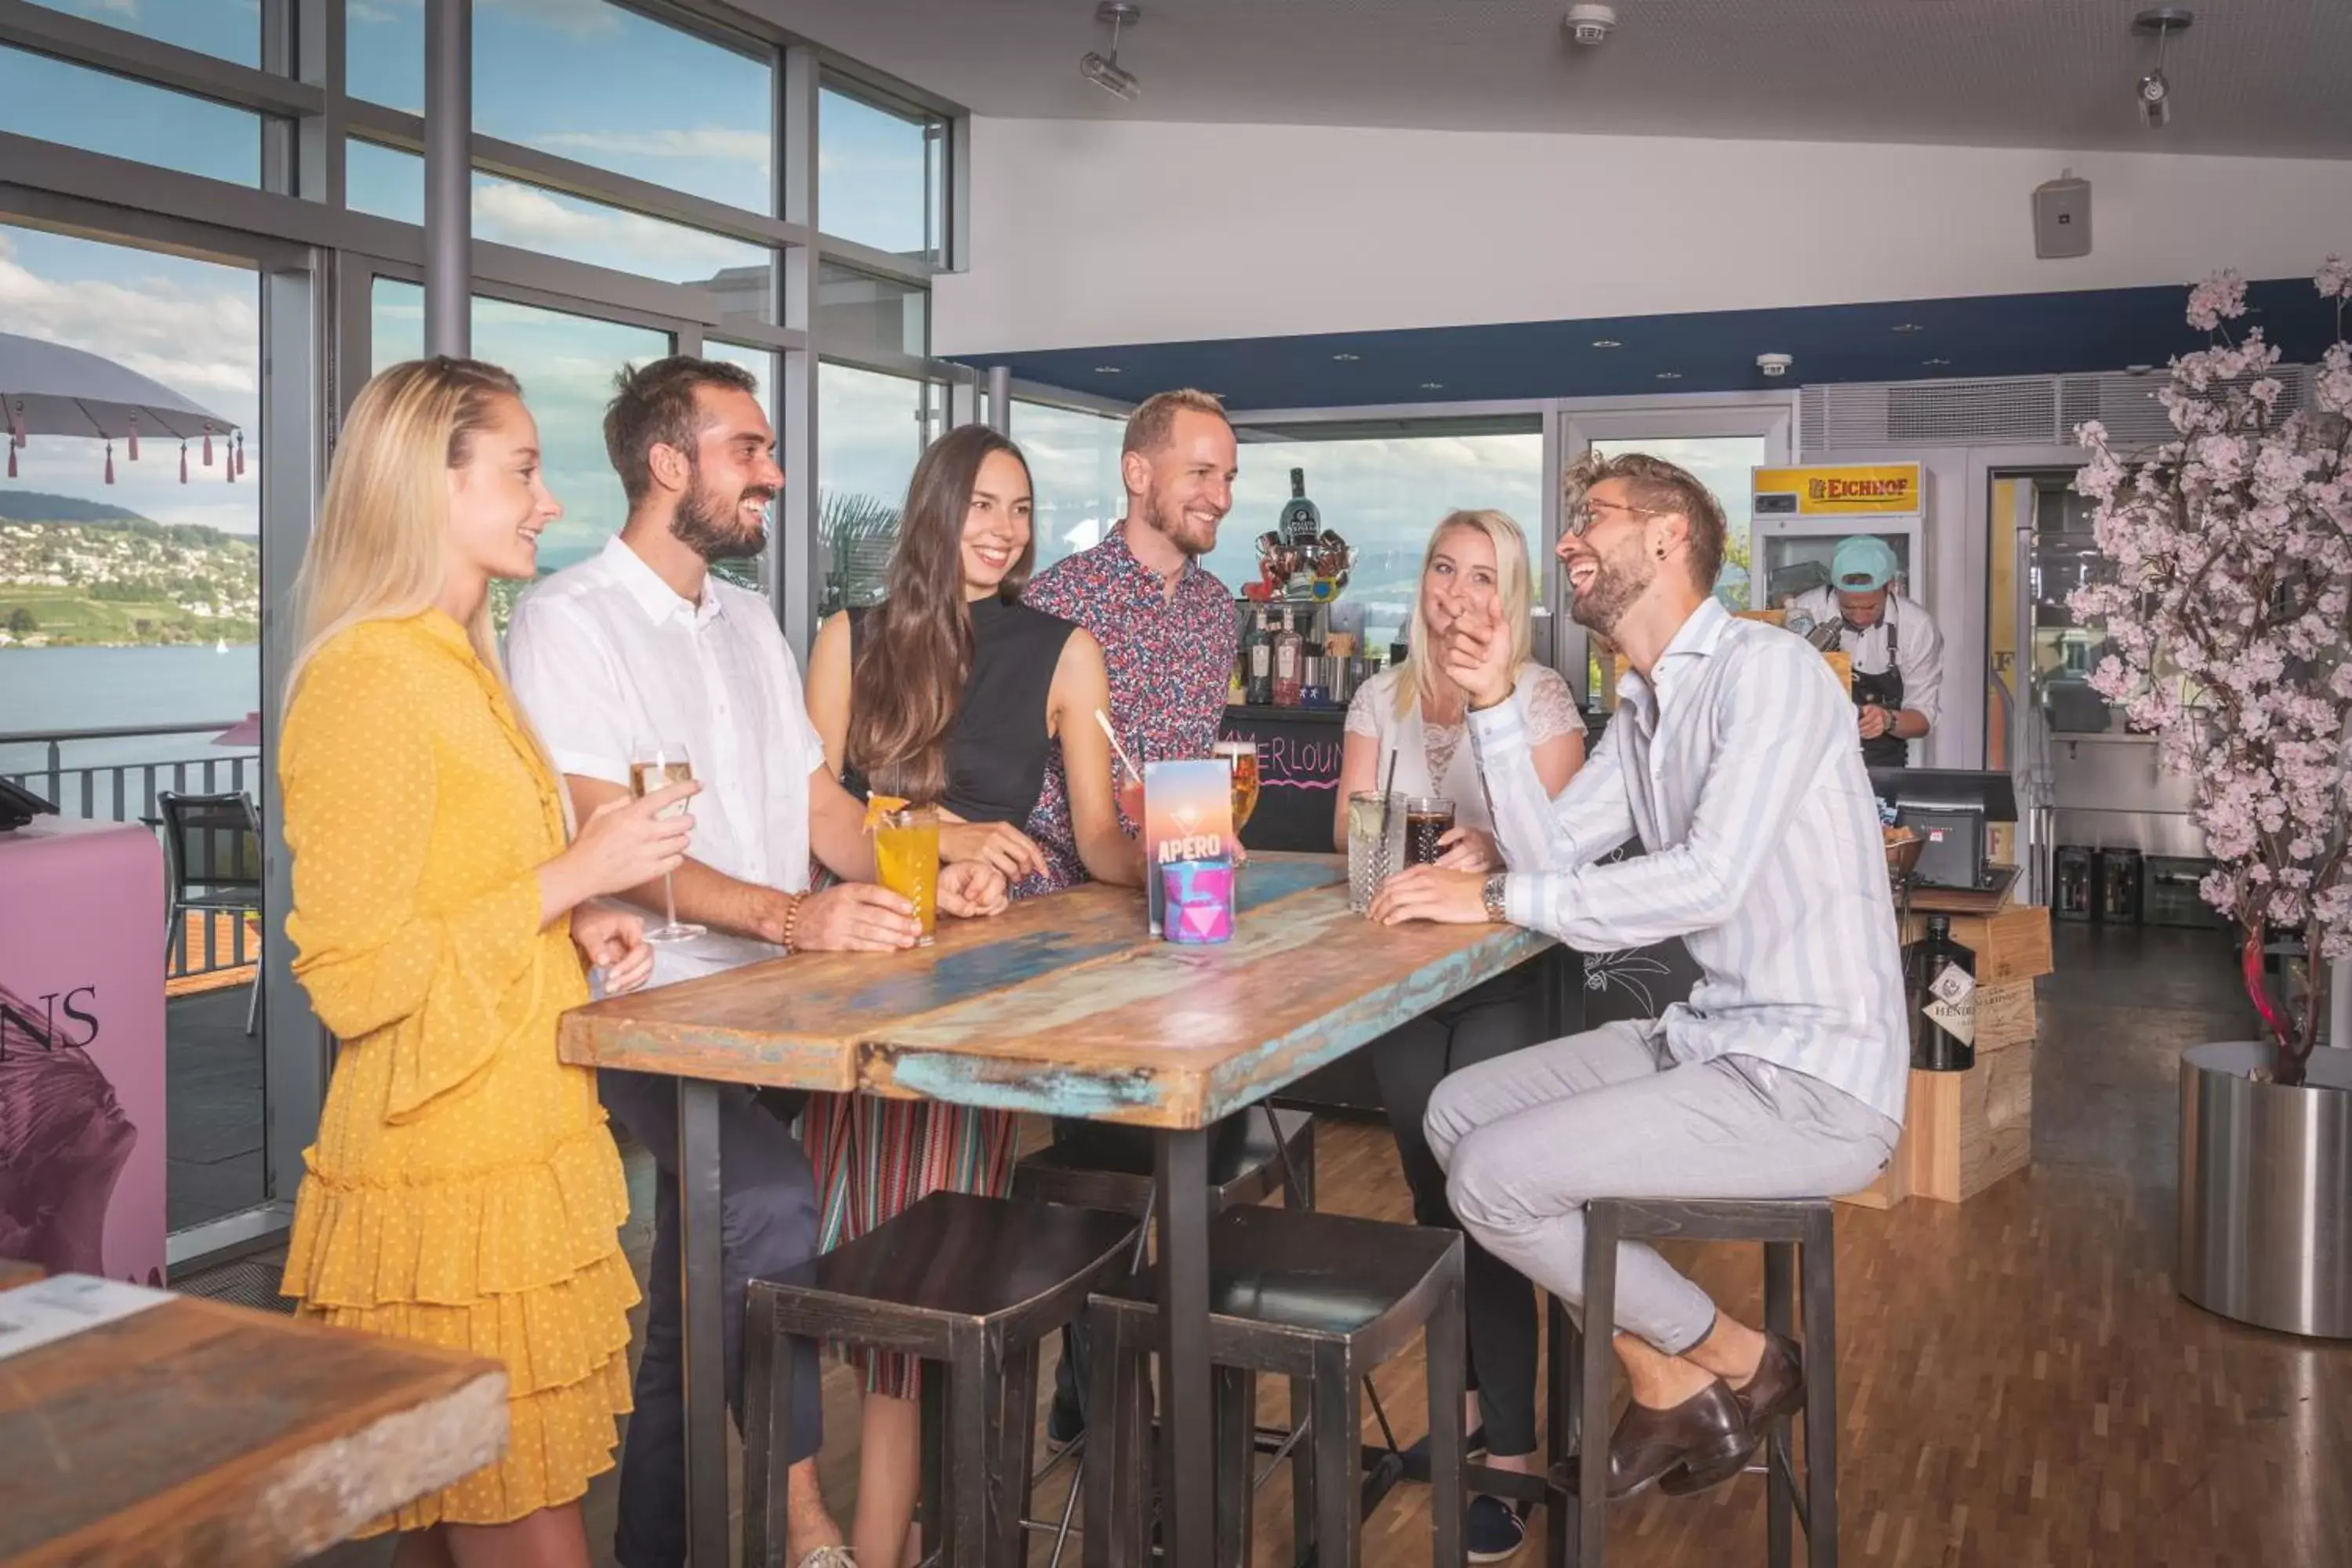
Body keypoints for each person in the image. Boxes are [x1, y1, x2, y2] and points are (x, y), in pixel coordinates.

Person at [506, 356, 1004, 1568]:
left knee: (696, 1296)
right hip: (650, 1011)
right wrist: (794, 918)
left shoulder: (748, 622)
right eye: (749, 450)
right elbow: (603, 845)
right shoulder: (568, 622)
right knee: (770, 1201)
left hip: (777, 1007)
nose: (773, 475)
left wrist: (926, 873)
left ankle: (655, 1548)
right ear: (667, 462)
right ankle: (798, 1517)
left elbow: (819, 802)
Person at [1371, 450, 1907, 1502]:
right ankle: (1682, 1367)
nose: (1567, 540)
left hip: (1811, 1077)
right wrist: (1490, 710)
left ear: (1667, 539)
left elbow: (1705, 882)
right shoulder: (1647, 707)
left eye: (1593, 520)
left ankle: (1746, 1362)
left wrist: (1493, 900)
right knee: (1452, 1114)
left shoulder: (1772, 672)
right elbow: (1553, 855)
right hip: (1709, 1040)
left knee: (1492, 1179)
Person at [277, 356, 683, 1568]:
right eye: (520, 469)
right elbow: (352, 976)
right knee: (521, 1519)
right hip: (446, 1184)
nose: (548, 499)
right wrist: (570, 877)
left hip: (511, 1156)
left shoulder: (459, 659)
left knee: (465, 1524)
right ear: (427, 484)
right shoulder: (368, 679)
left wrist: (572, 919)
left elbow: (461, 892)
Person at [800, 422, 1142, 1566]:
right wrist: (941, 829)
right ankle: (846, 1536)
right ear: (934, 509)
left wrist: (1192, 853)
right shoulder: (848, 639)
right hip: (847, 987)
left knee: (917, 1299)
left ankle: (882, 1546)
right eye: (983, 505)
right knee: (808, 1272)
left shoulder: (1064, 649)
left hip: (968, 1009)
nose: (1002, 530)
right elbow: (812, 817)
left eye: (1022, 509)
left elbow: (1096, 843)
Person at [1334, 507, 1583, 1561]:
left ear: (1512, 594)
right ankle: (1480, 1415)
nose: (1460, 594)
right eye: (1445, 569)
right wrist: (1405, 836)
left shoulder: (1539, 697)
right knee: (1438, 1202)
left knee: (1484, 1185)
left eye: (1486, 576)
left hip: (1509, 979)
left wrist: (1495, 842)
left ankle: (1518, 1456)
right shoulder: (1377, 697)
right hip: (1400, 983)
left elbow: (1564, 856)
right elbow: (1351, 842)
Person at [1022, 387, 1241, 1444]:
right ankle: (1101, 1397)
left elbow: (1196, 772)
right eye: (1203, 472)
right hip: (1080, 941)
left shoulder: (1220, 612)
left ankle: (1173, 1384)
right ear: (1139, 475)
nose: (1223, 495)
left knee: (1210, 1152)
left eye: (1231, 476)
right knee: (1103, 1177)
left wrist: (1205, 838)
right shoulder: (1053, 600)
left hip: (1189, 926)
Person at [1784, 534, 1944, 768]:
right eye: (1848, 607)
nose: (1859, 616)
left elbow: (1923, 719)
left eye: (1870, 607)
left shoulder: (1916, 628)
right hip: (1813, 762)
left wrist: (1887, 720)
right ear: (1836, 590)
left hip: (1883, 766)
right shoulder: (1805, 612)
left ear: (1890, 587)